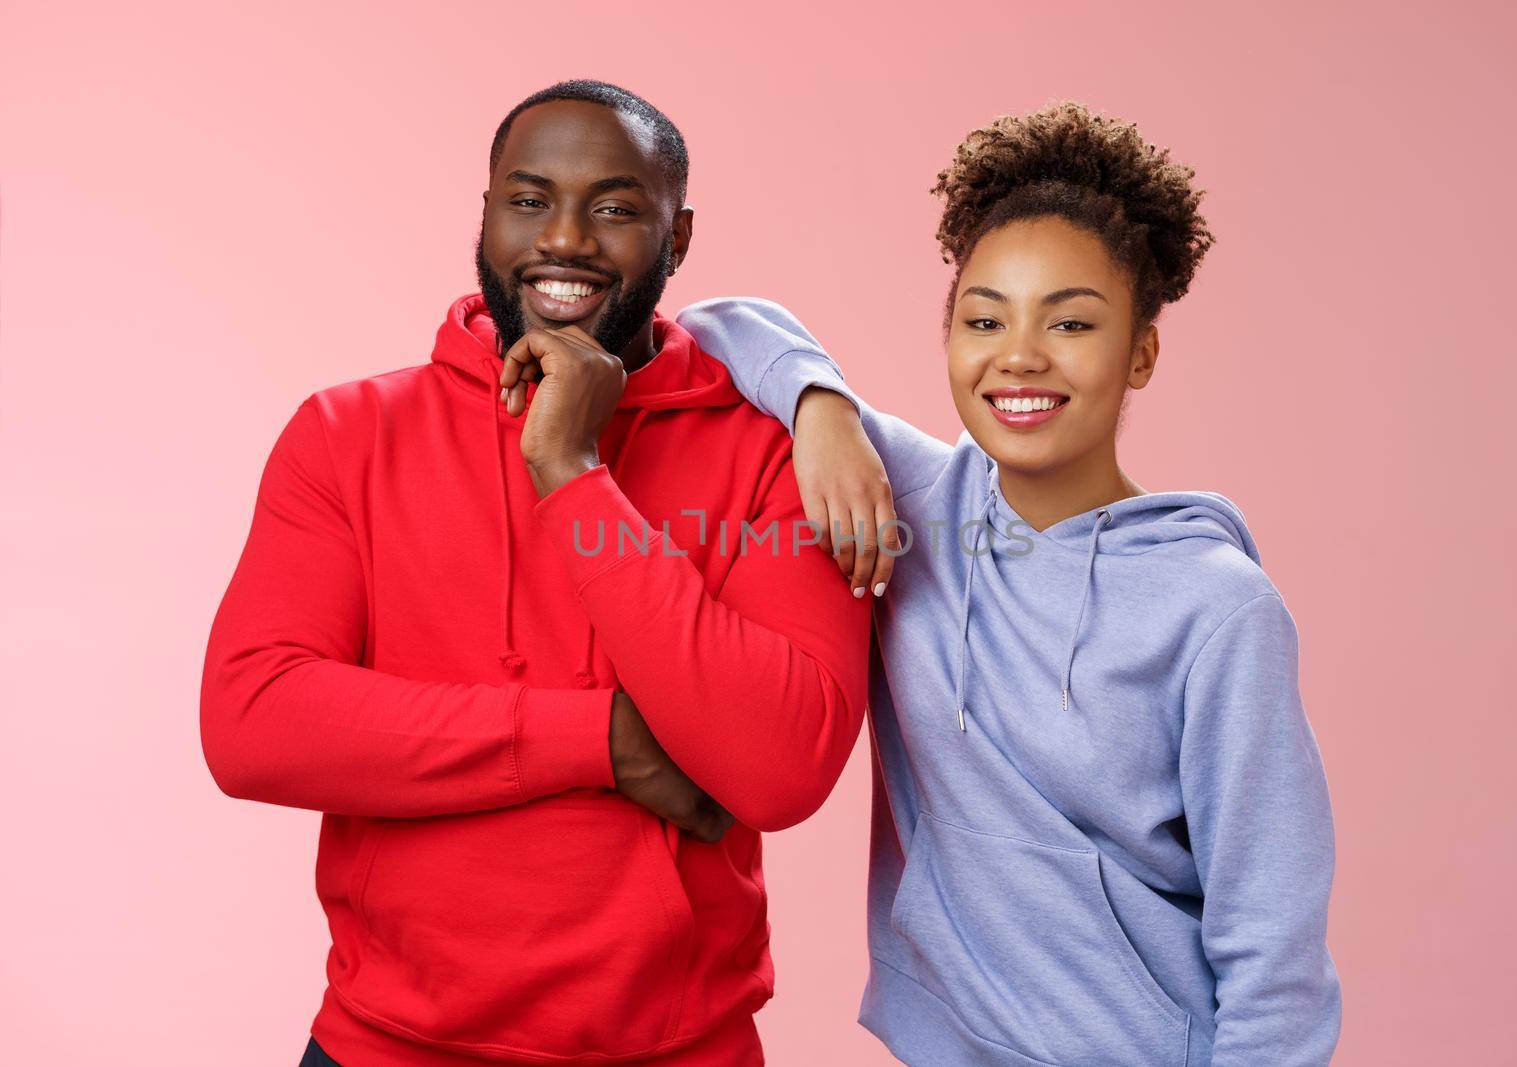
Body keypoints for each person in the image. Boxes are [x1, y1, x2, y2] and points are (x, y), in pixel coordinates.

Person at [199, 80, 870, 1067]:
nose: (565, 238)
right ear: (482, 213)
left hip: (678, 1049)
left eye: (614, 207)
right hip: (386, 1046)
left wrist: (571, 467)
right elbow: (253, 720)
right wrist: (598, 737)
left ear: (678, 238)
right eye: (527, 199)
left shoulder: (773, 454)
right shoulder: (346, 435)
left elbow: (781, 761)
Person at [679, 102, 1342, 1065]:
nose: (1020, 355)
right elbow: (715, 324)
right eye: (985, 318)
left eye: (1071, 321)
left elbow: (1273, 946)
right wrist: (820, 406)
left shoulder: (1218, 608)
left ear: (1142, 353)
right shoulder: (914, 498)